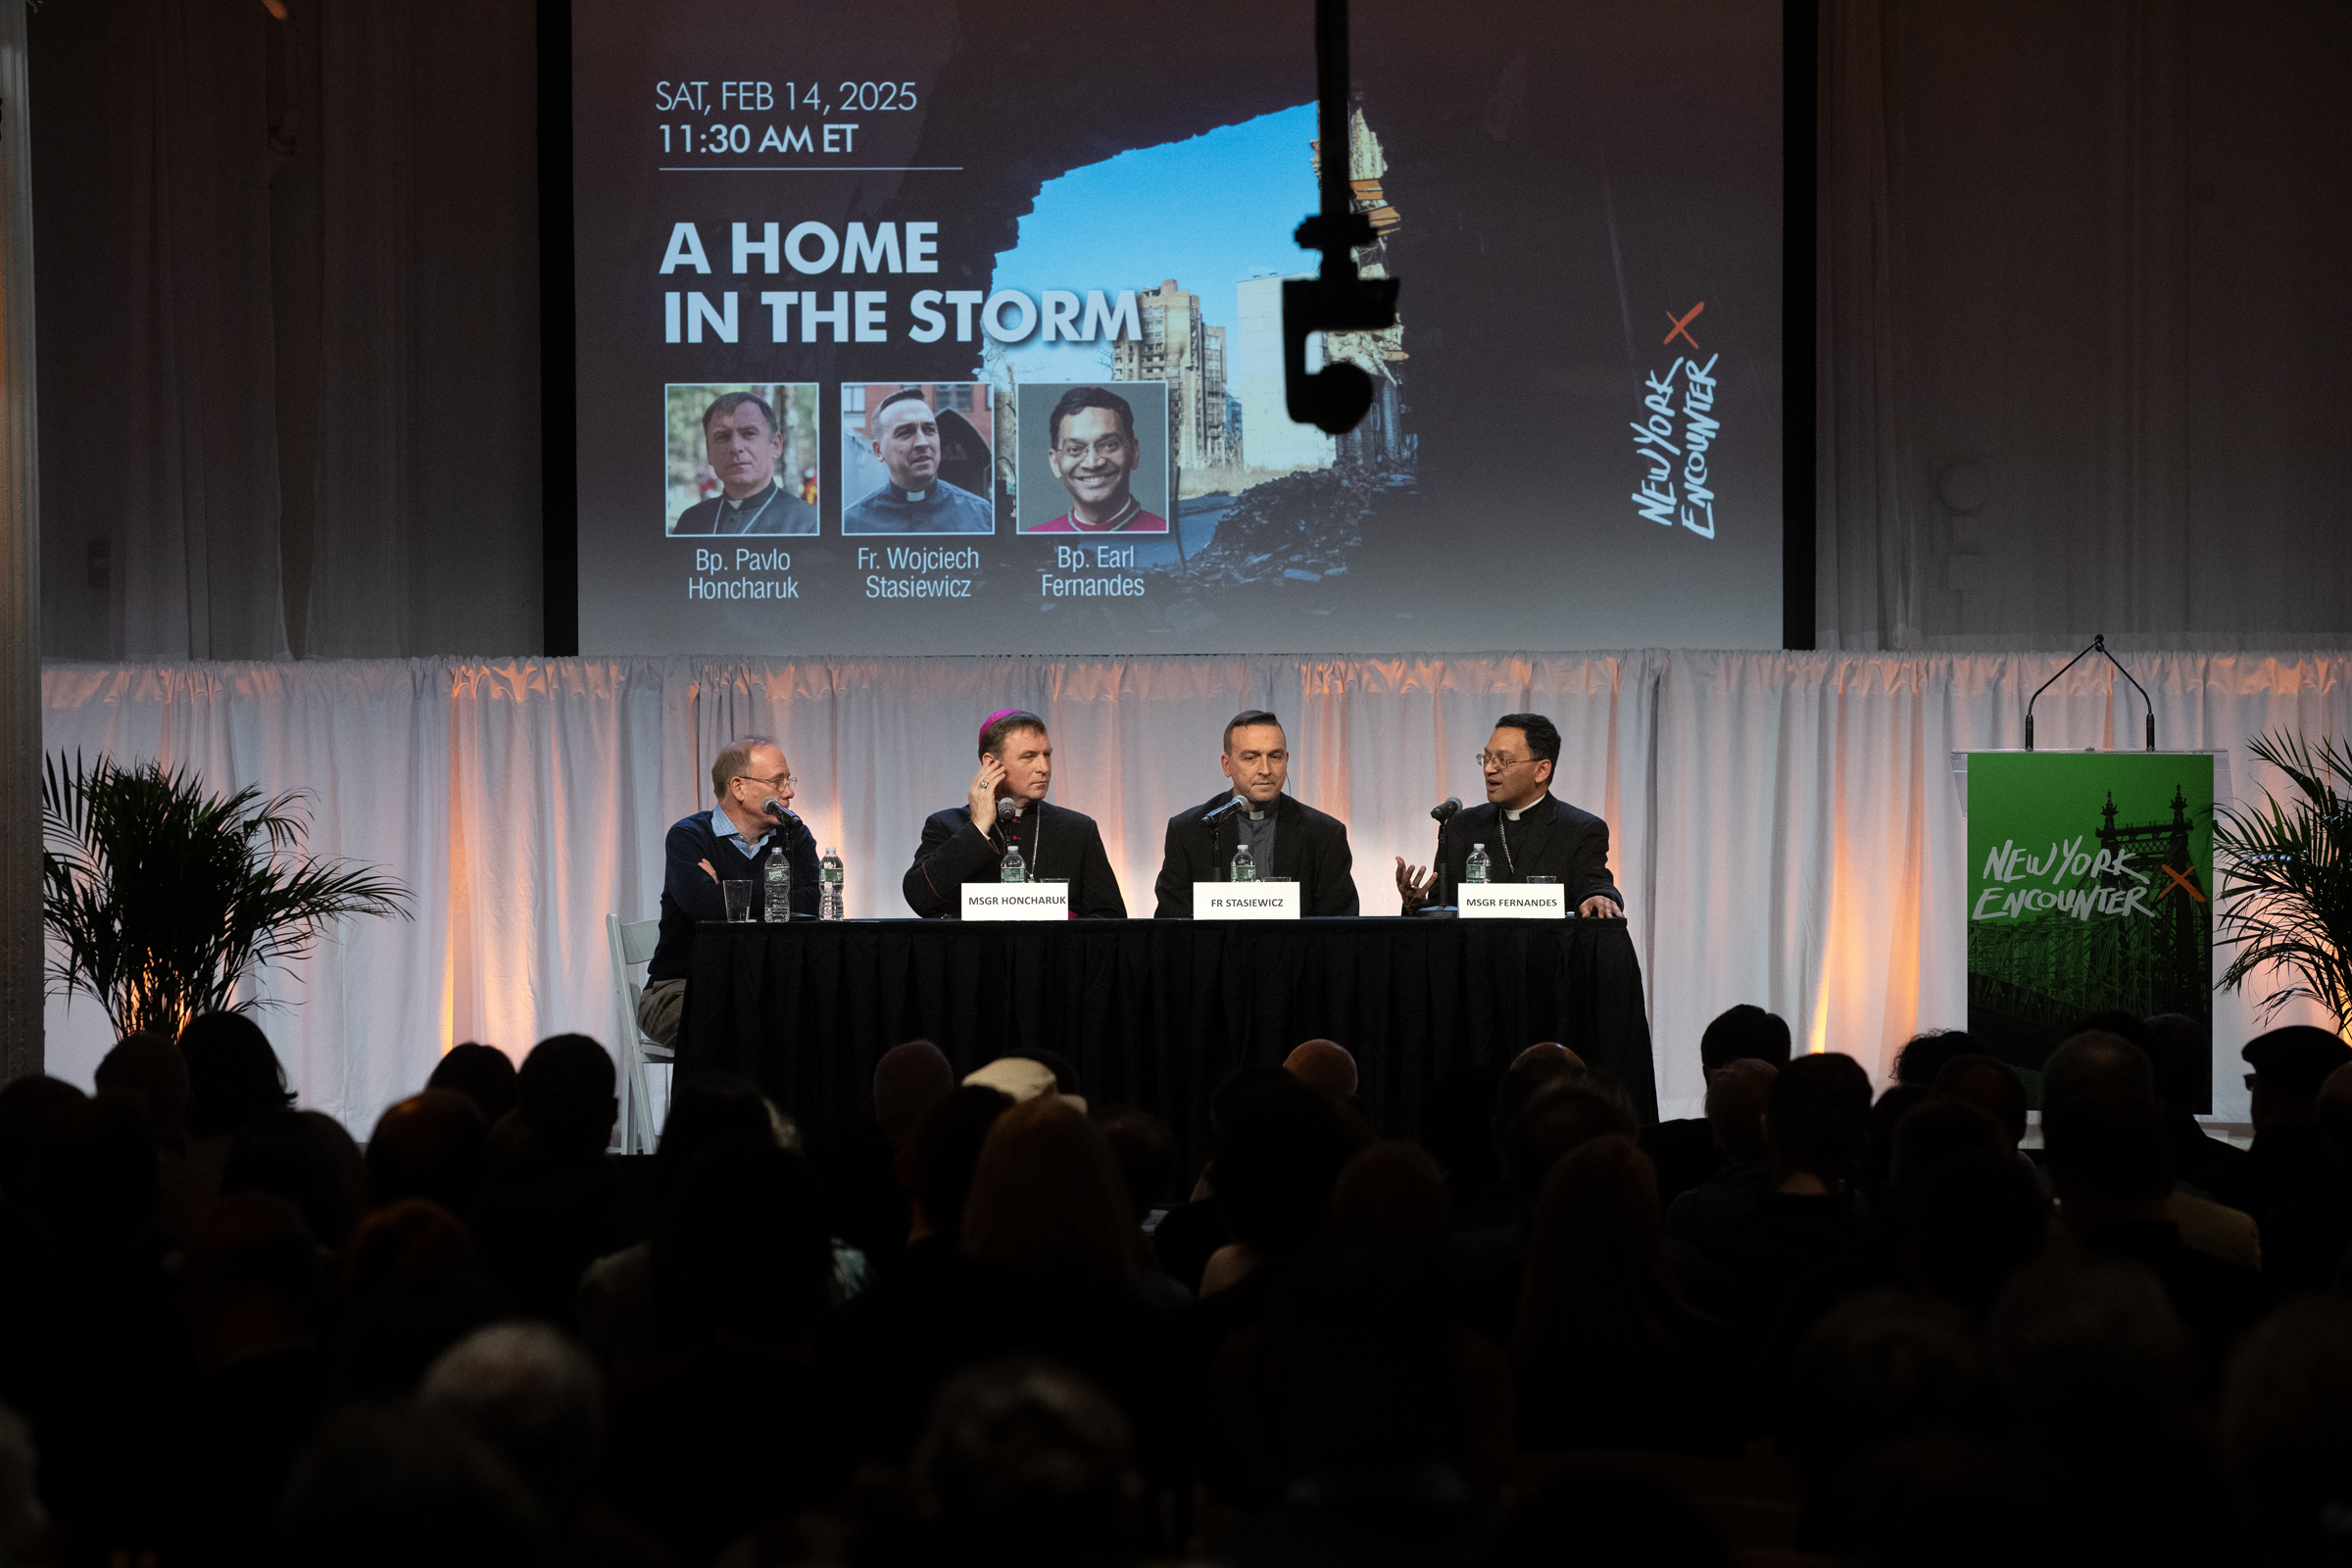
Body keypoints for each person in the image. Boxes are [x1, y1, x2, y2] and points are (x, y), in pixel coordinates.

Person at [637, 735, 819, 1048]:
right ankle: (714, 1099)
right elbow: (707, 909)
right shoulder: (688, 837)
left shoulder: (795, 837)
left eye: (789, 781)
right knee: (732, 1019)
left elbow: (811, 904)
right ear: (738, 787)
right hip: (680, 988)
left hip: (764, 987)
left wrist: (726, 890)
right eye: (777, 782)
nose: (788, 793)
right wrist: (780, 891)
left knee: (821, 1014)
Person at [1394, 712, 1623, 917]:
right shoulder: (1461, 826)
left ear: (1541, 770)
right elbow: (1441, 909)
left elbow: (1595, 883)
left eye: (1503, 760)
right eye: (1486, 758)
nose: (1489, 769)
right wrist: (1416, 906)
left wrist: (1601, 896)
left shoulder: (1579, 829)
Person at [903, 710, 1126, 918]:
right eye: (1028, 756)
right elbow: (921, 899)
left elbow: (1110, 917)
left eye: (1046, 754)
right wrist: (978, 827)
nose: (1044, 768)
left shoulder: (1078, 829)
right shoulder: (946, 825)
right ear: (990, 764)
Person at [1152, 710, 1358, 917]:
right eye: (1251, 757)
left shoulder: (1324, 834)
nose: (1266, 769)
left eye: (1275, 757)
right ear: (1227, 765)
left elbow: (1339, 930)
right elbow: (1171, 927)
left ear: (1286, 760)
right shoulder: (1189, 831)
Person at [841, 388, 994, 534]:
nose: (922, 442)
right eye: (905, 433)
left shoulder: (981, 516)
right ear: (878, 450)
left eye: (929, 430)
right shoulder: (852, 523)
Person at [1021, 386, 1169, 534]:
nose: (1092, 463)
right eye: (1074, 449)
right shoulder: (1034, 538)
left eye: (1109, 445)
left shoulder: (1168, 534)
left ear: (1134, 452)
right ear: (1055, 463)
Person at [666, 391, 816, 535]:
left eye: (749, 433)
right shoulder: (691, 521)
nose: (735, 447)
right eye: (723, 436)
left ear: (776, 446)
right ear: (709, 452)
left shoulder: (810, 523)